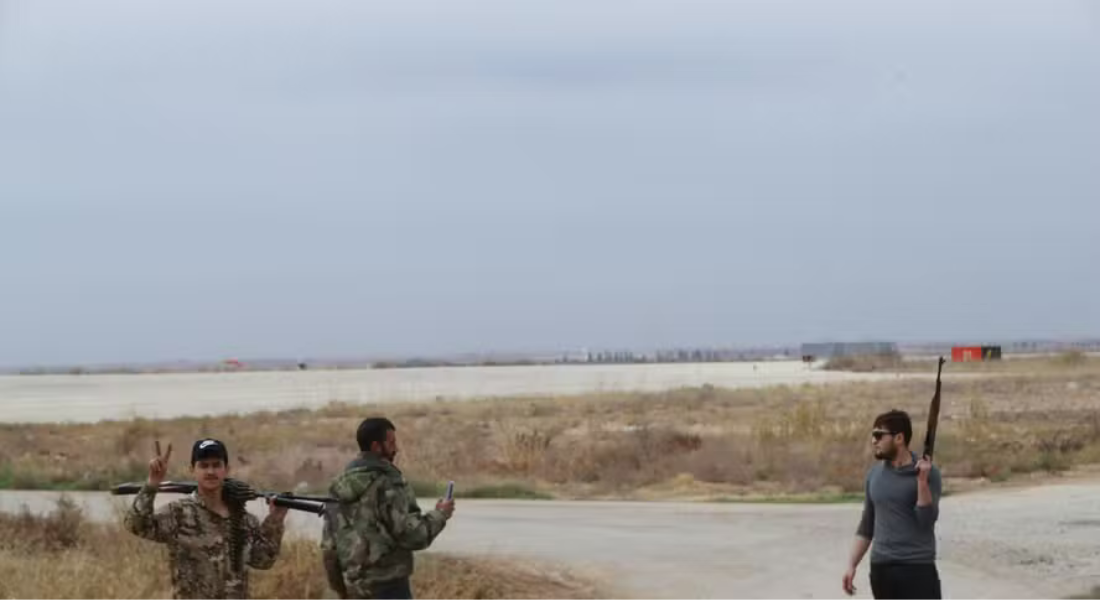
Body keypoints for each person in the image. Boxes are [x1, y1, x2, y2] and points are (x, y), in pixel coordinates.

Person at [124, 438, 288, 599]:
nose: (210, 471)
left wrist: (275, 519)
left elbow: (263, 561)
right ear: (192, 470)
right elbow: (136, 525)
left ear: (226, 469)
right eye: (204, 465)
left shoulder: (244, 520)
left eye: (216, 465)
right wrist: (152, 483)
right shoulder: (179, 513)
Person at [321, 417, 455, 599]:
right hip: (389, 587)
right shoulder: (388, 484)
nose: (396, 449)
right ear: (376, 446)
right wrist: (441, 514)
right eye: (391, 443)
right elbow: (413, 536)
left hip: (353, 586)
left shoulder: (337, 487)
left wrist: (340, 589)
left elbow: (329, 547)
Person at [842, 410, 943, 599]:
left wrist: (921, 482)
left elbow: (926, 521)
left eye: (879, 435)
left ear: (899, 438)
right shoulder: (874, 476)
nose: (874, 441)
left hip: (917, 568)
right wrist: (851, 565)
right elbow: (867, 525)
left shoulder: (929, 473)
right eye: (873, 436)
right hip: (882, 569)